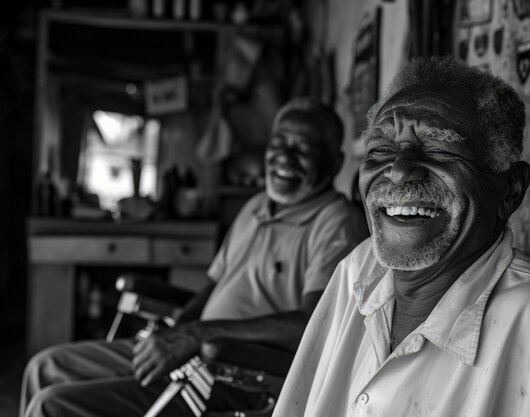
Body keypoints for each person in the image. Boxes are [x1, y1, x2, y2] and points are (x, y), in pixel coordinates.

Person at [272, 57, 530, 417]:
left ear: (510, 191)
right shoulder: (358, 270)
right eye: (381, 149)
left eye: (439, 149)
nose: (398, 172)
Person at [20, 97, 368, 417]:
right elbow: (213, 287)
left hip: (239, 375)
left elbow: (313, 324)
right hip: (193, 350)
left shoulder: (335, 221)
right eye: (278, 144)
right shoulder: (256, 206)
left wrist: (197, 335)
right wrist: (177, 331)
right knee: (44, 368)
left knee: (52, 406)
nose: (284, 157)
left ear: (334, 162)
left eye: (303, 149)